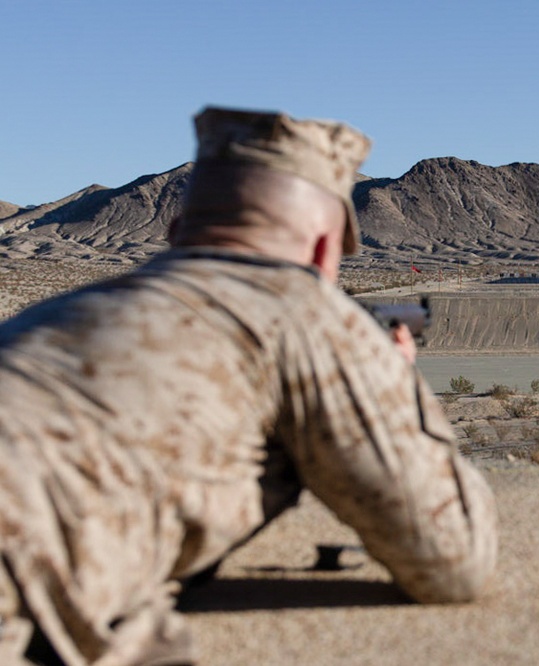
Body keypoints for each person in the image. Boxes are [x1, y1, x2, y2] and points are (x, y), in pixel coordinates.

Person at [0, 107, 498, 665]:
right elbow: (452, 562)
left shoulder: (48, 314)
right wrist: (398, 386)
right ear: (320, 251)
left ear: (174, 234)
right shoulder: (304, 314)